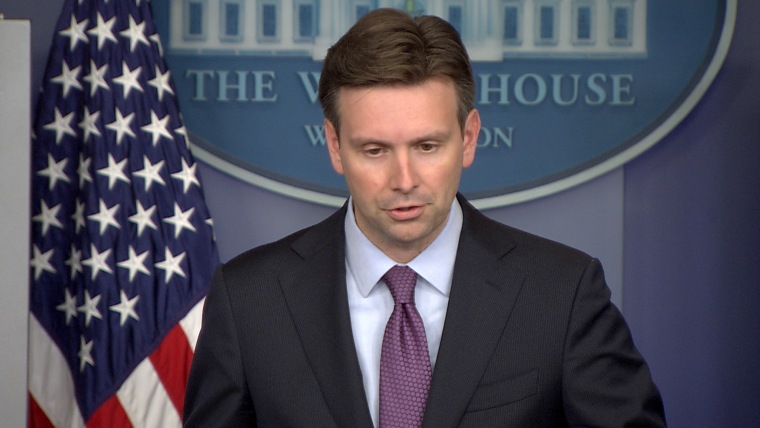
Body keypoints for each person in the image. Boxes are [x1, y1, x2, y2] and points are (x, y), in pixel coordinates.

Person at [183, 8, 666, 427]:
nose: (404, 179)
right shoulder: (248, 301)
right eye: (375, 150)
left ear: (469, 138)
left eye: (427, 146)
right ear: (334, 145)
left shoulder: (562, 294)